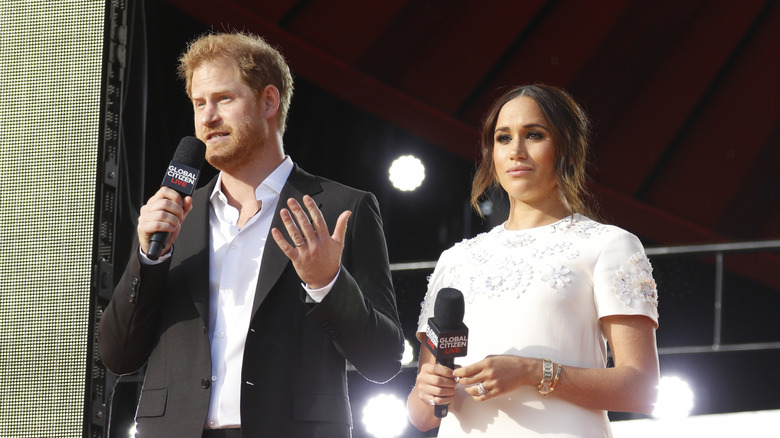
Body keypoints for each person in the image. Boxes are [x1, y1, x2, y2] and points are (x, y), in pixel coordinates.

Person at [99, 31, 404, 438]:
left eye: (224, 99)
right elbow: (118, 355)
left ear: (269, 101)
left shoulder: (341, 209)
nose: (207, 117)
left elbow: (384, 360)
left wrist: (327, 283)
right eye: (198, 103)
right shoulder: (176, 218)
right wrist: (149, 258)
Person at [407, 84, 660, 437]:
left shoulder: (609, 245)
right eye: (503, 138)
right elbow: (423, 416)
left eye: (534, 135)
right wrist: (427, 391)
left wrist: (532, 372)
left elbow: (643, 389)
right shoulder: (457, 259)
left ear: (567, 149)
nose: (516, 151)